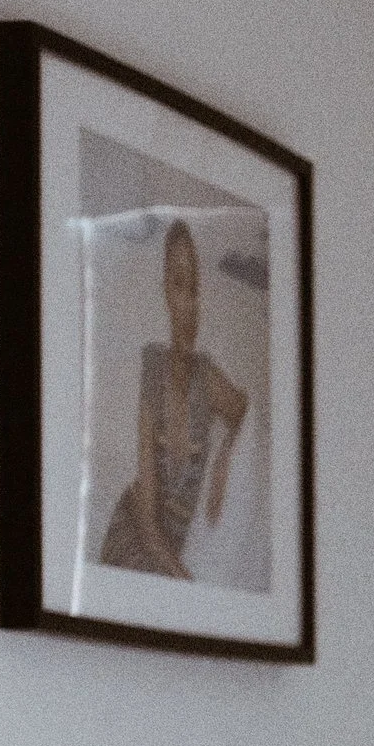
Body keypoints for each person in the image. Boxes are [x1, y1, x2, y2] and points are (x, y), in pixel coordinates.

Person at [100, 217, 249, 577]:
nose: (190, 302)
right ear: (166, 292)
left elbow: (244, 410)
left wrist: (225, 457)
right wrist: (184, 579)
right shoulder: (152, 368)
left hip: (170, 553)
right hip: (134, 535)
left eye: (195, 287)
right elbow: (147, 516)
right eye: (180, 284)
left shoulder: (208, 377)